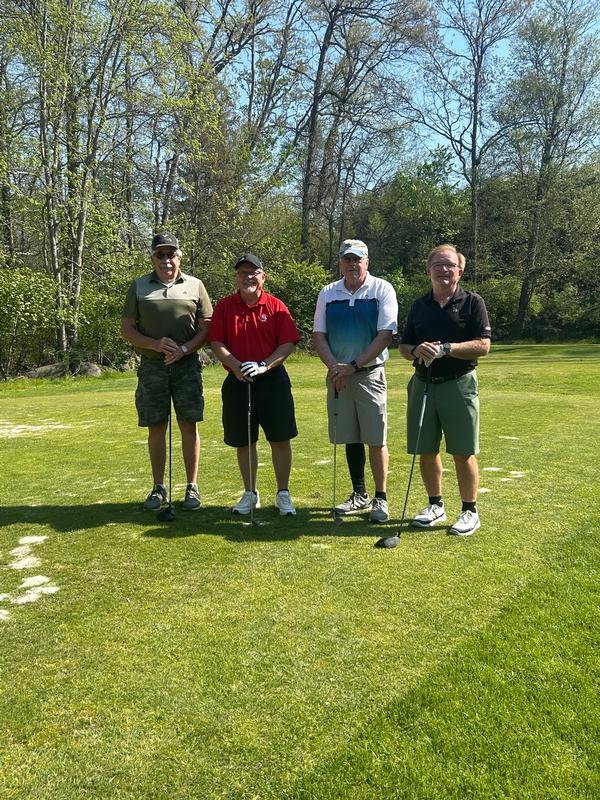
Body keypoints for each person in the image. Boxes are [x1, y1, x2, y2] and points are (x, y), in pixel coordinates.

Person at [400, 243, 491, 536]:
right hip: (423, 384)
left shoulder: (472, 302)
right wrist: (417, 350)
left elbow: (483, 345)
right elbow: (404, 346)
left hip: (459, 383)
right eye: (438, 264)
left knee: (463, 451)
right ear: (429, 270)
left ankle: (469, 511)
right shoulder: (419, 305)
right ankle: (435, 505)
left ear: (460, 271)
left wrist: (447, 349)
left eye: (450, 265)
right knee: (425, 449)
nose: (444, 269)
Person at [121, 232, 213, 511]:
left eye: (171, 254)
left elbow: (207, 328)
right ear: (152, 258)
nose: (166, 260)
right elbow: (127, 330)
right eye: (160, 255)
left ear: (179, 257)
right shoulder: (139, 286)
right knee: (156, 427)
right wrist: (155, 344)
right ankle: (159, 487)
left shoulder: (195, 285)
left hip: (187, 366)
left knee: (189, 425)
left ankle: (192, 487)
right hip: (153, 367)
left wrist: (184, 350)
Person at [313, 239, 398, 523]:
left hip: (369, 374)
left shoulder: (381, 289)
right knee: (349, 436)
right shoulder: (328, 292)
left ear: (366, 262)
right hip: (339, 375)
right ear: (340, 262)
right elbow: (319, 335)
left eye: (357, 259)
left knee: (375, 438)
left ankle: (380, 497)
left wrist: (353, 366)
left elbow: (385, 334)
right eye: (347, 259)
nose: (352, 264)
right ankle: (359, 494)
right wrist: (335, 368)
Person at [209, 252, 300, 516]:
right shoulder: (225, 306)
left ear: (263, 276)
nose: (247, 277)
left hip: (273, 381)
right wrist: (236, 366)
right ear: (237, 277)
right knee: (244, 441)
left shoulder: (276, 306)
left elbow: (288, 343)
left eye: (253, 272)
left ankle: (283, 493)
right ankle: (250, 493)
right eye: (242, 273)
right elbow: (216, 342)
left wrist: (265, 365)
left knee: (280, 438)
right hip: (237, 382)